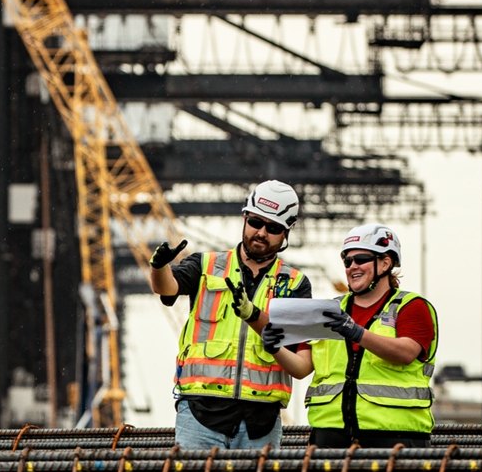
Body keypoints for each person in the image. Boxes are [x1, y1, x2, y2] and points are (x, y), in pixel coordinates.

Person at [148, 180, 311, 450]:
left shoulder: (295, 284)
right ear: (245, 218)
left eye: (273, 228)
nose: (261, 232)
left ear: (285, 234)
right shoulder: (205, 265)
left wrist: (256, 318)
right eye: (256, 222)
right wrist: (158, 267)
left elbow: (301, 364)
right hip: (201, 414)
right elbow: (166, 287)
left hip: (261, 421)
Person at [261, 224, 439, 448]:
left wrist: (357, 333)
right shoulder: (329, 310)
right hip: (331, 437)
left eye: (361, 259)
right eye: (347, 261)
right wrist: (276, 348)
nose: (352, 266)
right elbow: (301, 368)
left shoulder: (411, 307)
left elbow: (405, 352)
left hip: (395, 437)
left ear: (385, 263)